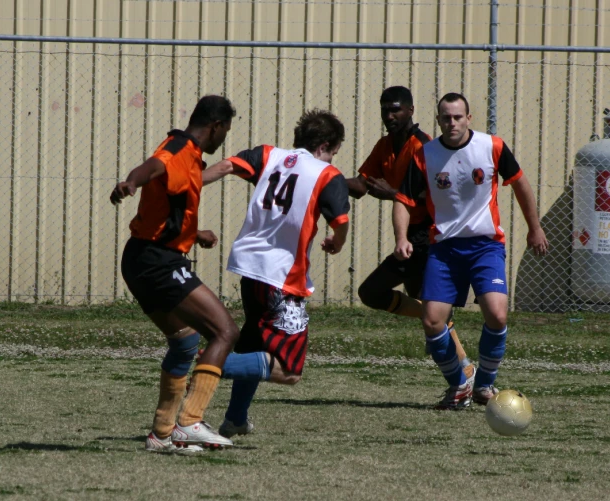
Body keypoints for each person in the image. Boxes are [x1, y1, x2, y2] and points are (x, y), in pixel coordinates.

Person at [393, 92, 548, 409]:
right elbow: (403, 200)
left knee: (497, 313)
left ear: (469, 118)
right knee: (432, 320)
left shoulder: (492, 147)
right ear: (438, 120)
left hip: (485, 246)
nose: (452, 123)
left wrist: (535, 228)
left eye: (458, 117)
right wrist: (401, 237)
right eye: (446, 117)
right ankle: (459, 387)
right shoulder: (425, 155)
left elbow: (520, 184)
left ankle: (485, 385)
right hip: (445, 249)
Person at [201, 109, 350, 437]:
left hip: (249, 270)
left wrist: (190, 182)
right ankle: (205, 364)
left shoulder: (269, 155)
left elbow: (226, 166)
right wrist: (337, 243)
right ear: (326, 145)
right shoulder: (328, 175)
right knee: (289, 370)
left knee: (254, 344)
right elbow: (340, 222)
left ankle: (236, 418)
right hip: (282, 279)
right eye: (335, 151)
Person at [109, 95, 240, 453]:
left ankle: (162, 433)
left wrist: (194, 234)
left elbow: (168, 204)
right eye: (225, 131)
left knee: (184, 343)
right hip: (158, 262)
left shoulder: (188, 154)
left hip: (140, 257)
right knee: (225, 331)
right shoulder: (179, 149)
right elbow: (151, 167)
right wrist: (130, 182)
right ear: (214, 126)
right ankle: (190, 421)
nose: (223, 138)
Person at [345, 86, 474, 382]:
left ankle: (463, 371)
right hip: (410, 237)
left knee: (372, 292)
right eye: (384, 110)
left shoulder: (424, 146)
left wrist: (394, 194)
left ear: (411, 111)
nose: (389, 115)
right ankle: (464, 368)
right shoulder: (385, 145)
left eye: (395, 110)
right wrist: (329, 179)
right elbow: (363, 185)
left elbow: (438, 199)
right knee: (424, 306)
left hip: (426, 237)